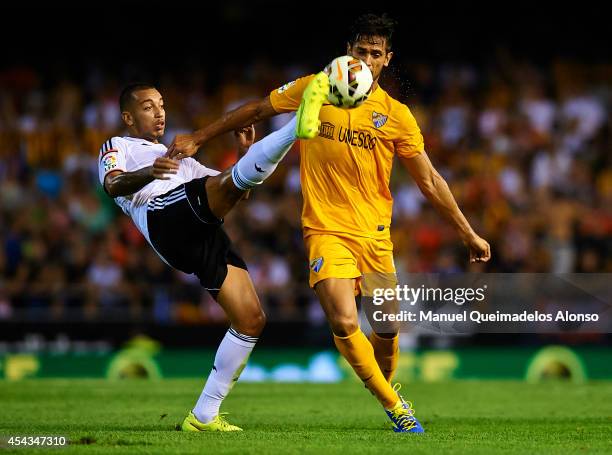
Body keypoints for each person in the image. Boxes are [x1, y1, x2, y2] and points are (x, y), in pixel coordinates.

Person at [166, 13, 491, 433]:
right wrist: (199, 136)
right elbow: (257, 109)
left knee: (387, 329)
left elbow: (428, 179)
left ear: (387, 60)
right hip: (325, 230)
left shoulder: (396, 115)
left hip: (374, 236)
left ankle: (385, 388)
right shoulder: (315, 88)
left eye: (376, 54)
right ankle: (396, 408)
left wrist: (467, 231)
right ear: (348, 51)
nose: (367, 60)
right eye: (360, 51)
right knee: (342, 320)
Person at [98, 78, 329, 432]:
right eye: (148, 107)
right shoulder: (118, 145)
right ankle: (295, 129)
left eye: (161, 105)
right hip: (163, 218)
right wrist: (150, 171)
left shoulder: (183, 161)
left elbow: (236, 191)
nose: (159, 113)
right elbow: (112, 183)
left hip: (199, 227)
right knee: (219, 187)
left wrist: (243, 155)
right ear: (128, 118)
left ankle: (204, 416)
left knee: (251, 319)